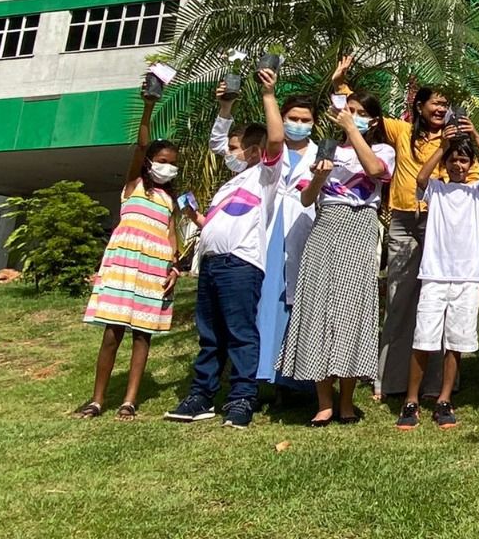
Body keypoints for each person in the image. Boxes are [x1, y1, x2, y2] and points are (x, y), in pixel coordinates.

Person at [164, 68, 284, 428]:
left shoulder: (266, 175)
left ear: (252, 151)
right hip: (213, 266)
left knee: (240, 334)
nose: (227, 153)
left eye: (235, 148)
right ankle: (201, 396)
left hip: (241, 266)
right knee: (211, 335)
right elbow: (218, 141)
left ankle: (241, 398)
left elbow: (276, 140)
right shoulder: (228, 186)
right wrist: (226, 106)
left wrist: (267, 94)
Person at [279, 93, 394, 425]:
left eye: (361, 113)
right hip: (326, 225)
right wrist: (318, 175)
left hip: (359, 228)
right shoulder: (323, 148)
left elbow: (375, 170)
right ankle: (323, 401)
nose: (353, 116)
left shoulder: (382, 150)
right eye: (350, 111)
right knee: (318, 308)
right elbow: (306, 198)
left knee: (351, 310)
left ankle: (347, 401)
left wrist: (351, 130)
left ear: (373, 121)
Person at [74, 85, 181, 420]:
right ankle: (96, 399)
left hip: (154, 268)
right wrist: (148, 108)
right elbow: (140, 143)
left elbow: (171, 235)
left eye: (173, 165)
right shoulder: (133, 184)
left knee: (142, 335)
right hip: (124, 263)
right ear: (149, 162)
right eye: (163, 162)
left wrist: (174, 268)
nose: (167, 168)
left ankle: (130, 401)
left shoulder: (170, 200)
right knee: (112, 333)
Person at [209, 81, 318, 391]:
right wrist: (225, 108)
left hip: (301, 231)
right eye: (292, 118)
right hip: (264, 233)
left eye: (305, 119)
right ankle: (256, 378)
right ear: (280, 118)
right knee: (261, 304)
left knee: (295, 304)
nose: (298, 125)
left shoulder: (321, 153)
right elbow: (222, 148)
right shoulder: (267, 152)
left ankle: (294, 382)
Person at [397, 118, 479, 431]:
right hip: (435, 274)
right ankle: (411, 400)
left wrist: (475, 136)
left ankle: (443, 399)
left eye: (463, 160)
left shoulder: (476, 191)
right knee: (423, 338)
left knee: (456, 340)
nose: (457, 164)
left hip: (467, 276)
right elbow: (422, 176)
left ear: (470, 165)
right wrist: (443, 147)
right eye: (454, 159)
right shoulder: (436, 190)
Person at [376, 84, 466, 399]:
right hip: (402, 219)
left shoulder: (456, 138)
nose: (441, 109)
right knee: (399, 298)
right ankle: (389, 380)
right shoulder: (401, 131)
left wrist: (454, 143)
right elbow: (363, 111)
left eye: (446, 104)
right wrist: (339, 84)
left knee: (438, 299)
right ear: (420, 104)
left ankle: (436, 384)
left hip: (439, 224)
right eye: (436, 103)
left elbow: (472, 177)